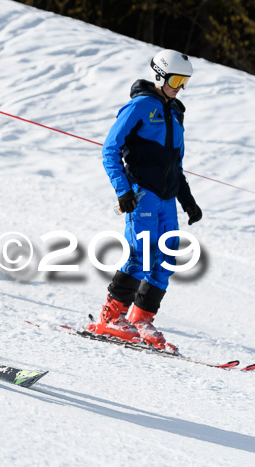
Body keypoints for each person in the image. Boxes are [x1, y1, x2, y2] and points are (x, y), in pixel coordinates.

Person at [88, 49, 203, 349]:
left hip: (166, 197)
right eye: (176, 80)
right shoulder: (139, 106)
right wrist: (123, 190)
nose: (179, 87)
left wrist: (187, 199)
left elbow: (174, 165)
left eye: (184, 82)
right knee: (141, 253)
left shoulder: (175, 113)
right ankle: (111, 317)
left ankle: (141, 318)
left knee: (167, 255)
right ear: (159, 75)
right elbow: (109, 150)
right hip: (142, 194)